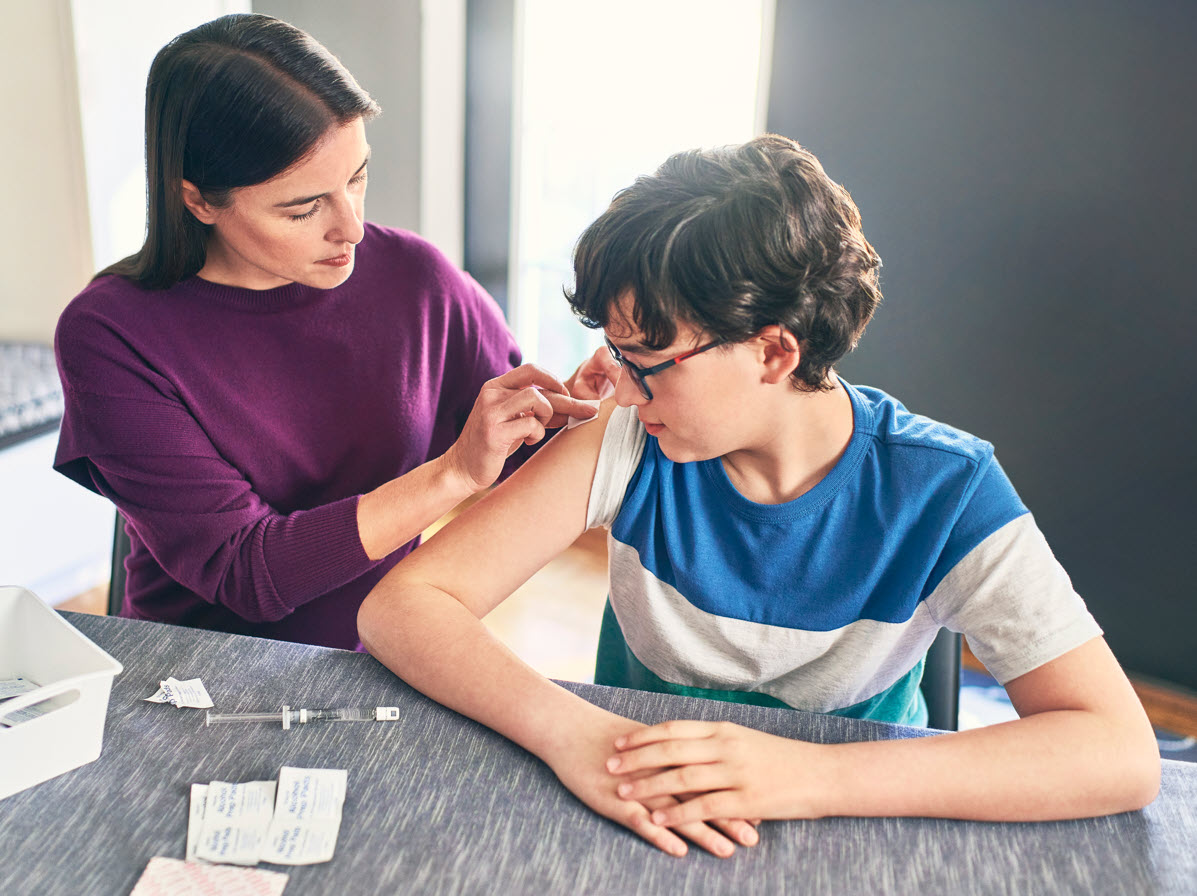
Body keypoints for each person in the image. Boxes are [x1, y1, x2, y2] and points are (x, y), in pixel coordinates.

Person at [357, 135, 1161, 858]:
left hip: (856, 823)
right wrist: (573, 734)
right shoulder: (627, 437)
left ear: (773, 352)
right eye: (615, 353)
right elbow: (403, 606)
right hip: (644, 805)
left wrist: (809, 776)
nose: (620, 390)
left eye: (645, 360)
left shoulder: (946, 489)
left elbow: (1117, 752)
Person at [52, 13, 613, 649]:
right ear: (199, 200)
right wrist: (452, 473)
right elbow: (247, 572)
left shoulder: (417, 278)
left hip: (383, 648)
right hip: (199, 665)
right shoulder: (111, 335)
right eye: (303, 208)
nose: (352, 228)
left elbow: (515, 452)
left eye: (356, 178)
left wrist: (570, 412)